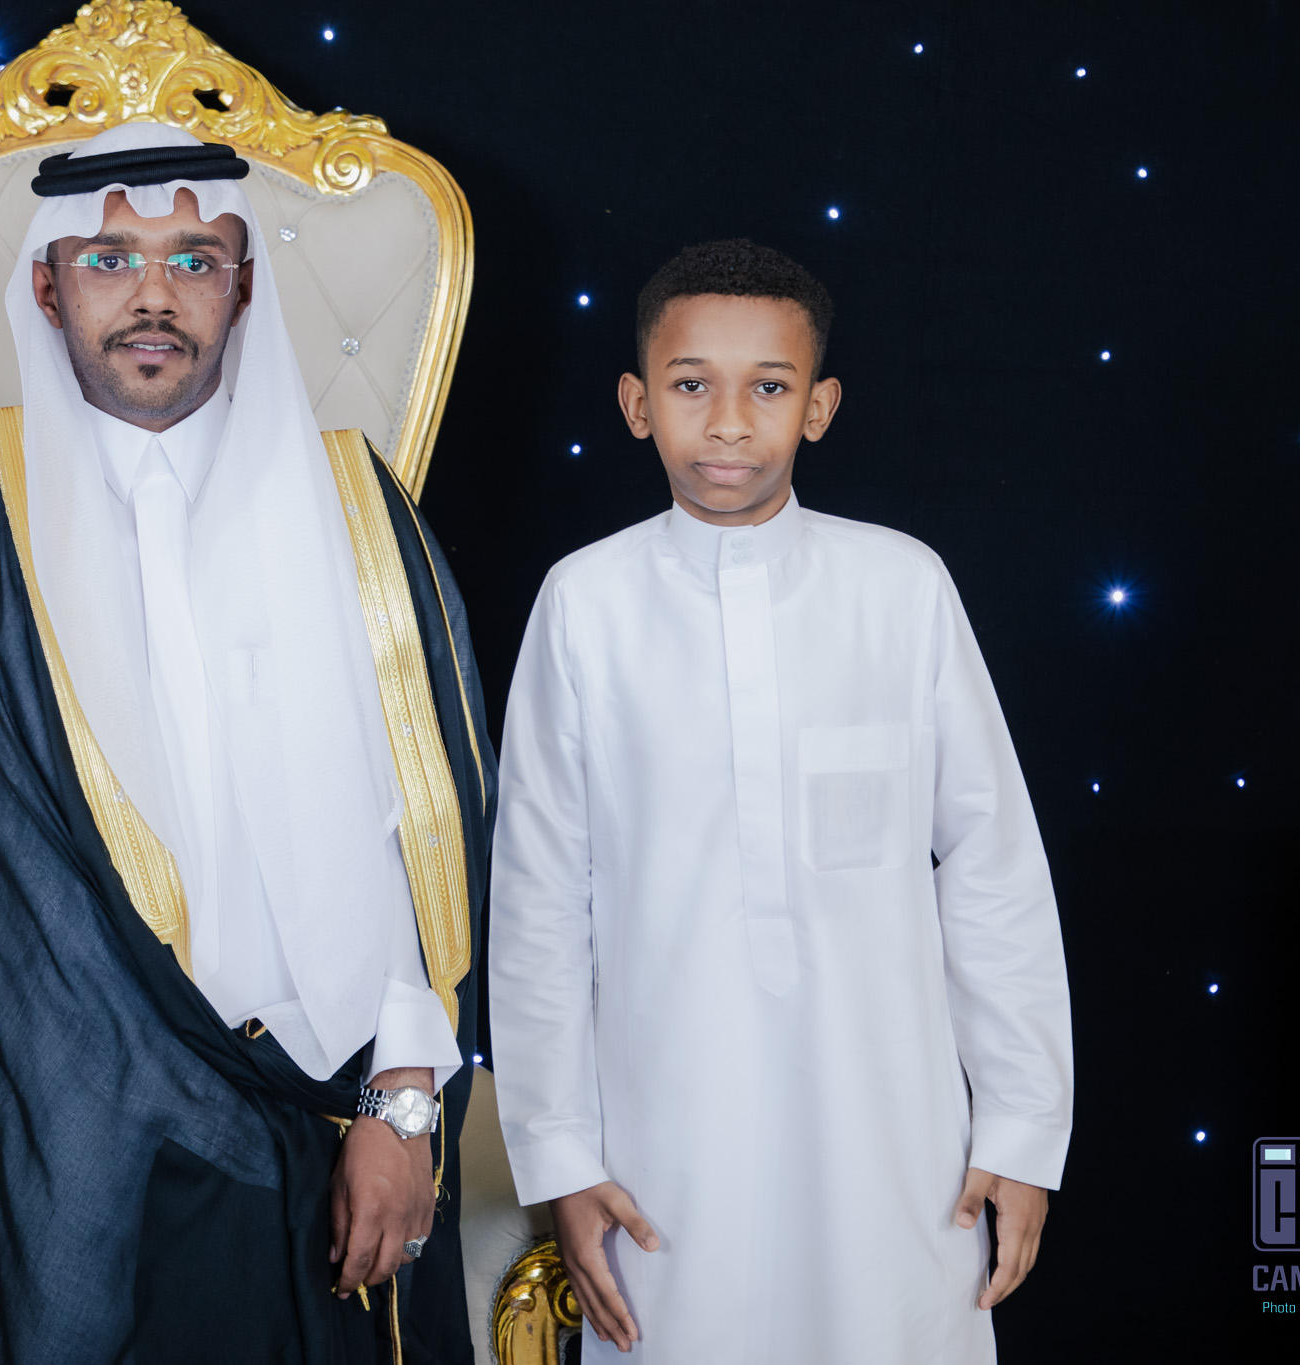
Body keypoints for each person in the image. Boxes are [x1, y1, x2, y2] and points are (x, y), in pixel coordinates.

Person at [0, 122, 494, 1364]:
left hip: (314, 1127)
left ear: (242, 289)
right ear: (48, 287)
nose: (152, 296)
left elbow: (430, 848)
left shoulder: (357, 516)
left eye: (193, 260)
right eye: (109, 261)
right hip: (37, 1138)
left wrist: (404, 1106)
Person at [487, 239, 1072, 1362]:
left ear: (818, 407)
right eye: (689, 384)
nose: (726, 423)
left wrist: (1021, 1126)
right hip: (664, 1141)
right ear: (635, 403)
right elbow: (538, 902)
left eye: (767, 387)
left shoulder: (901, 588)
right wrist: (560, 1155)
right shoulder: (585, 604)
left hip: (893, 1133)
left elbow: (991, 864)